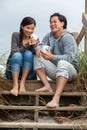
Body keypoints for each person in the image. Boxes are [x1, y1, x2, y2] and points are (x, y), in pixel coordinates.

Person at [34, 13, 79, 108]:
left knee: (62, 63)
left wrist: (52, 57)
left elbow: (69, 58)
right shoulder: (49, 36)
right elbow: (41, 45)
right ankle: (47, 86)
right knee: (37, 56)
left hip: (71, 71)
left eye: (55, 22)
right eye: (50, 22)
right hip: (56, 70)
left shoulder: (68, 37)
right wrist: (38, 48)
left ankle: (56, 99)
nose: (52, 24)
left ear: (62, 23)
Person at [5, 16, 39, 96]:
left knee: (29, 54)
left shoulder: (33, 38)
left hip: (28, 74)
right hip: (12, 72)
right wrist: (27, 45)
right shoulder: (16, 35)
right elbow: (14, 52)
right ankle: (15, 85)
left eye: (32, 29)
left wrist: (35, 47)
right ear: (22, 26)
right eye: (28, 28)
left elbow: (35, 55)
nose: (30, 31)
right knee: (17, 55)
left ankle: (22, 83)